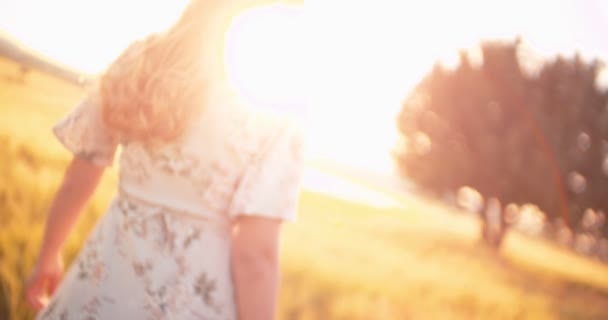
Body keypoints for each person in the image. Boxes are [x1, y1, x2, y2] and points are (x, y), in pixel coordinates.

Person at [25, 0, 305, 319]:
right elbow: (256, 255)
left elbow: (80, 176)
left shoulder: (141, 60)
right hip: (193, 302)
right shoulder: (276, 106)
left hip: (103, 283)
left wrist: (48, 256)